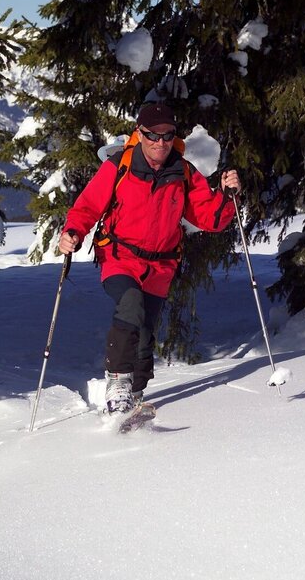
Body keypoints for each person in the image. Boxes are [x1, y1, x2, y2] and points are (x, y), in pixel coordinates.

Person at [58, 103, 242, 414]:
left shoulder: (182, 172)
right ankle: (117, 384)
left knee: (144, 333)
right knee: (130, 304)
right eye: (153, 135)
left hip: (161, 265)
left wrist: (227, 196)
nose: (160, 142)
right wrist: (73, 232)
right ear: (140, 134)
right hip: (119, 256)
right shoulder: (120, 166)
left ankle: (135, 394)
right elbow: (87, 206)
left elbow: (209, 218)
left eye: (167, 135)